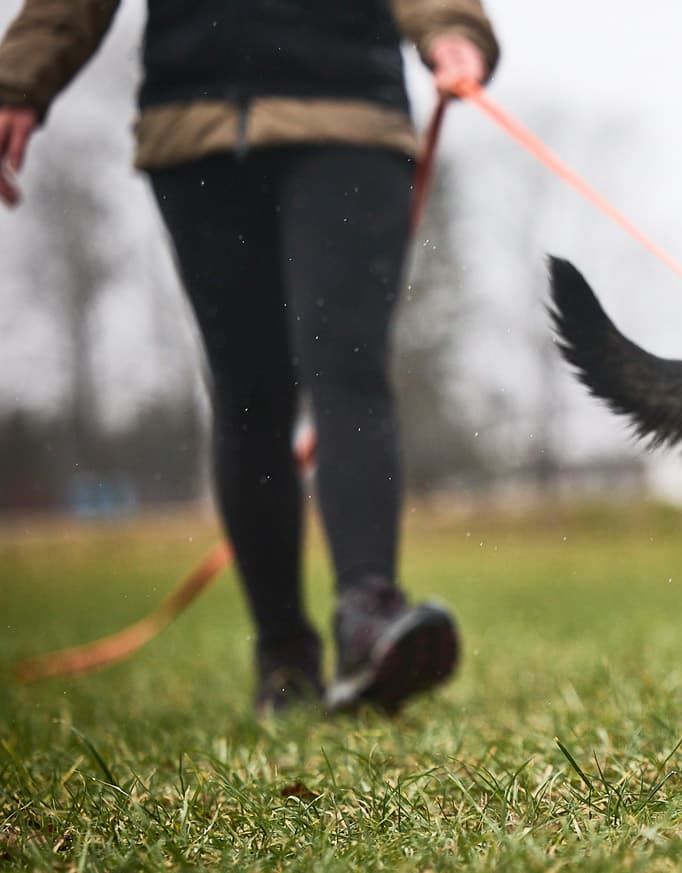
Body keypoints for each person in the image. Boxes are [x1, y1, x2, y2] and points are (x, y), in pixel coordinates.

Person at [0, 0, 499, 716]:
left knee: (348, 366)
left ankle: (369, 616)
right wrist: (20, 79)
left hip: (347, 116)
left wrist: (451, 26)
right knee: (247, 393)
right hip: (197, 126)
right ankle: (284, 659)